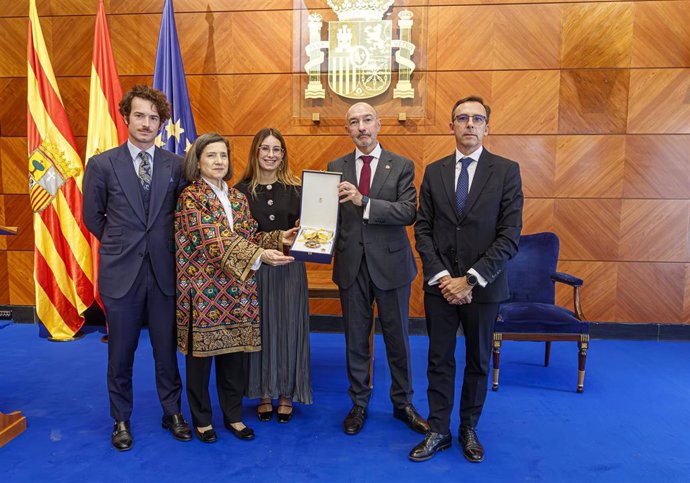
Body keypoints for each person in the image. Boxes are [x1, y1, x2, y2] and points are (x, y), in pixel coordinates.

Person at [411, 96, 523, 463]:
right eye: (462, 118)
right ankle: (439, 430)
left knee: (477, 360)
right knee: (439, 359)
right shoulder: (435, 170)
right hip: (440, 287)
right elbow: (423, 229)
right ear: (452, 126)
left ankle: (468, 427)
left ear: (487, 127)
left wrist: (470, 279)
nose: (470, 124)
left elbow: (510, 235)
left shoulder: (506, 171)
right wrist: (445, 277)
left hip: (484, 288)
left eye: (477, 119)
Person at [82, 85, 192, 451]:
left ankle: (172, 411)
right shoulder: (101, 164)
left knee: (166, 349)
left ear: (162, 123)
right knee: (121, 353)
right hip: (121, 273)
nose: (147, 123)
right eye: (140, 115)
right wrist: (122, 242)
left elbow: (183, 218)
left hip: (164, 274)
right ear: (126, 117)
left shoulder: (176, 166)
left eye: (154, 117)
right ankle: (121, 419)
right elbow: (92, 217)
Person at [175, 133, 296, 443]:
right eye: (211, 156)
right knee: (200, 363)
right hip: (204, 293)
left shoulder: (238, 197)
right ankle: (202, 419)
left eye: (223, 156)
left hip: (238, 291)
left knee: (234, 360)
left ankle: (233, 416)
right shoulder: (191, 197)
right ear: (197, 161)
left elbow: (251, 236)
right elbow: (214, 241)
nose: (218, 161)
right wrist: (259, 255)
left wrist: (282, 237)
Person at [327, 102, 429, 436]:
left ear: (379, 124)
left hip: (391, 266)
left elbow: (407, 212)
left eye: (367, 120)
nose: (361, 128)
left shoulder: (400, 165)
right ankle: (358, 402)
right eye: (354, 122)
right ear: (348, 130)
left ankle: (403, 404)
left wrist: (364, 202)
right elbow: (330, 218)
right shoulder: (335, 166)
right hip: (351, 266)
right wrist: (311, 228)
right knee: (356, 340)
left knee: (397, 339)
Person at [235, 128, 312, 423]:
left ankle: (287, 393)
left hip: (291, 269)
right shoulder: (238, 192)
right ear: (255, 152)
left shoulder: (297, 189)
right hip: (255, 271)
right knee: (261, 331)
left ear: (283, 155)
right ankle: (263, 391)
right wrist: (277, 237)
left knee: (289, 330)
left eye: (276, 149)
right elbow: (238, 237)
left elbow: (310, 231)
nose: (270, 155)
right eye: (265, 148)